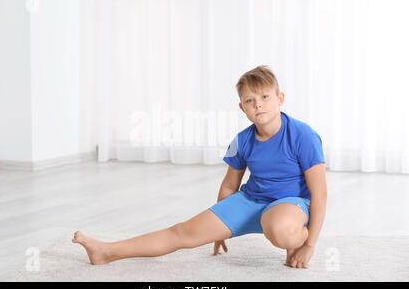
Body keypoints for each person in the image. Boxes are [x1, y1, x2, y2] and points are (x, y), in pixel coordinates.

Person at [72, 65, 327, 269]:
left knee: (279, 227)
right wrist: (219, 231)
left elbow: (320, 193)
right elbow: (230, 184)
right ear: (242, 108)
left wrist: (310, 244)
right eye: (249, 100)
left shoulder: (303, 136)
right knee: (181, 232)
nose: (258, 104)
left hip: (290, 204)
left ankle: (297, 238)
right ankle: (106, 252)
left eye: (265, 96)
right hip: (251, 200)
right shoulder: (242, 140)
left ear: (280, 98)